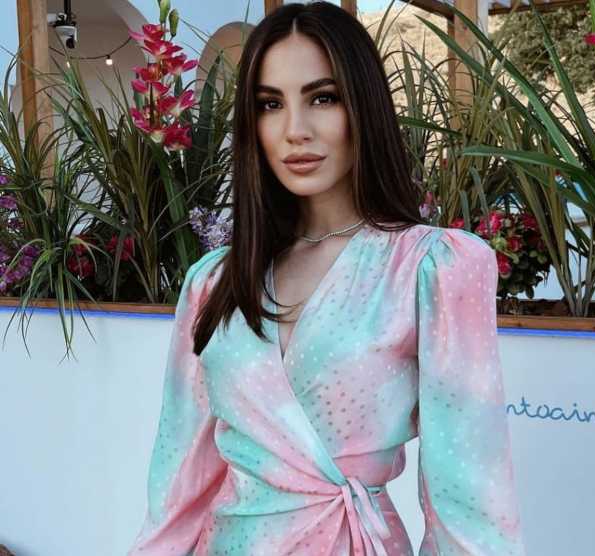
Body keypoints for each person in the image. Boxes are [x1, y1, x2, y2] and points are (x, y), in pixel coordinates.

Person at [128, 2, 526, 555]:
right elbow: (179, 487)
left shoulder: (430, 267)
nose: (295, 130)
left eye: (322, 98)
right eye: (270, 104)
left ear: (362, 105)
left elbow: (470, 492)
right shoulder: (214, 282)